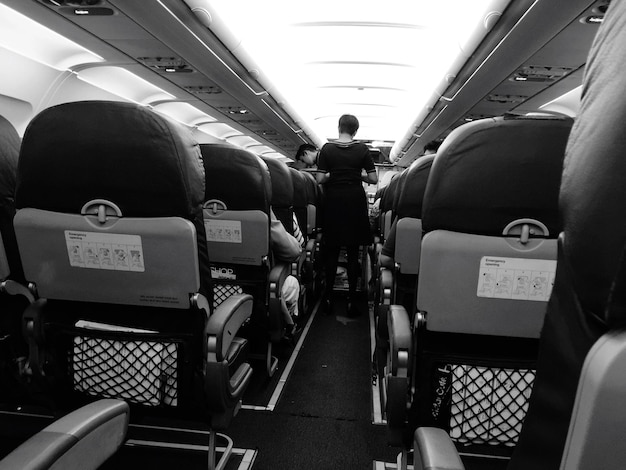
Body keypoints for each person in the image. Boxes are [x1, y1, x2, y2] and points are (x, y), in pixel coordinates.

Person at [316, 114, 378, 316]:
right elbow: (373, 178)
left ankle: (327, 298)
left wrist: (335, 173)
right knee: (353, 253)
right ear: (356, 131)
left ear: (338, 128)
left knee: (332, 251)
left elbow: (319, 179)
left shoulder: (327, 149)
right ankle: (352, 299)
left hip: (334, 200)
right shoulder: (362, 149)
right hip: (354, 199)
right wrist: (355, 173)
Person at [270, 209, 302, 337]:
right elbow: (294, 251)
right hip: (260, 293)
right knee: (292, 283)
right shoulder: (262, 209)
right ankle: (289, 324)